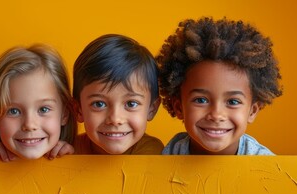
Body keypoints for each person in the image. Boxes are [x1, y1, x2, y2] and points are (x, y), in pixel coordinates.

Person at [157, 17, 283, 155]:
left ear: (252, 111)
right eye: (201, 100)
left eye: (233, 101)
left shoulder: (264, 164)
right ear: (179, 107)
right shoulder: (172, 153)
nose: (216, 115)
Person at [0, 44, 76, 161]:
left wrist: (76, 156)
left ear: (64, 114)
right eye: (13, 111)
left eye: (43, 109)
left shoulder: (81, 150)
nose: (29, 125)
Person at [72, 34, 163, 154]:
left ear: (151, 109)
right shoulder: (69, 151)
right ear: (79, 110)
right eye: (99, 104)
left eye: (131, 104)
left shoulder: (153, 154)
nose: (115, 119)